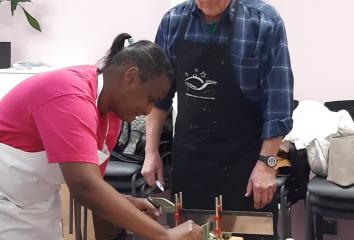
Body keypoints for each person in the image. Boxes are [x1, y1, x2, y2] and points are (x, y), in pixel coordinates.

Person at [0, 33, 202, 240]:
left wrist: (126, 203)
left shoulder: (109, 115)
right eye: (150, 99)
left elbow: (95, 189)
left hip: (35, 205)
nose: (148, 111)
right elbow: (85, 187)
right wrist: (164, 235)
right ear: (130, 78)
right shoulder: (71, 97)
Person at [141, 0, 294, 238]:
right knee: (190, 233)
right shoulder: (173, 21)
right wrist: (151, 151)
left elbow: (278, 105)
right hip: (191, 163)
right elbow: (157, 98)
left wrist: (267, 165)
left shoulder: (263, 21)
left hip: (246, 167)